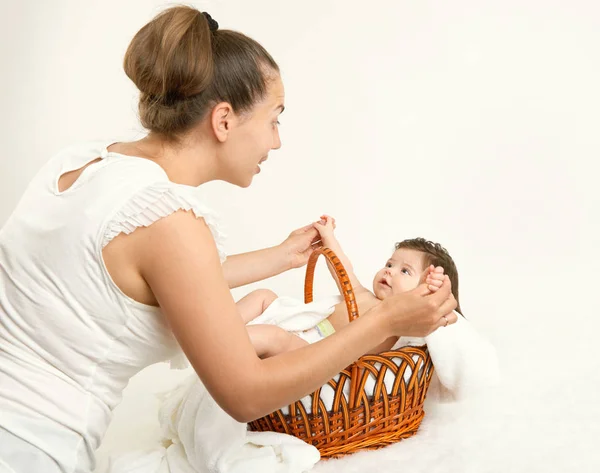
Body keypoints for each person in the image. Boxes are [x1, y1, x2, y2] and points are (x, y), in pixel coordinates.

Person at [0, 6, 457, 473]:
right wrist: (384, 324)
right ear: (223, 121)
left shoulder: (80, 164)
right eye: (274, 119)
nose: (276, 142)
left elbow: (134, 283)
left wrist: (279, 258)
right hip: (30, 444)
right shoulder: (169, 221)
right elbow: (246, 393)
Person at [240, 215, 462, 357]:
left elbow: (428, 314)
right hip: (300, 327)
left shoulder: (399, 326)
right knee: (263, 295)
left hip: (313, 351)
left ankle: (220, 350)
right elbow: (341, 266)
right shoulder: (362, 295)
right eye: (389, 264)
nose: (389, 271)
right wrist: (328, 237)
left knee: (274, 337)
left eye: (405, 271)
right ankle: (216, 331)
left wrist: (431, 289)